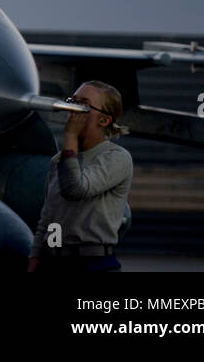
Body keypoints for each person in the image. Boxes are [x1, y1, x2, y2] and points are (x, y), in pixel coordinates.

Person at [28, 80, 133, 272]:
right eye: (72, 101)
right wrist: (35, 260)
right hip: (53, 262)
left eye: (83, 104)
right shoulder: (58, 161)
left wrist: (69, 137)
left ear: (104, 120)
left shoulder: (116, 158)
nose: (72, 108)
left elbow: (76, 189)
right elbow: (48, 218)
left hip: (92, 264)